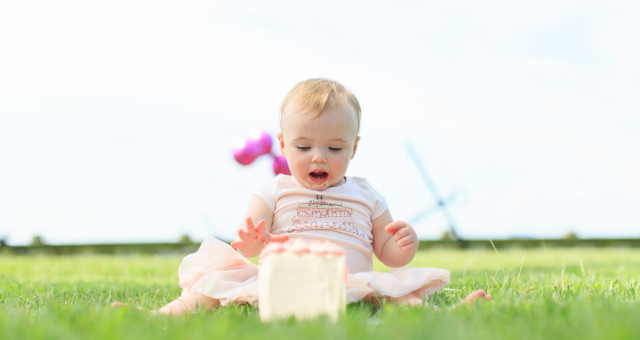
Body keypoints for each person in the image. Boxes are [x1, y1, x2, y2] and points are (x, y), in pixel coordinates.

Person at [156, 78, 490, 316]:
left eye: (334, 148)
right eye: (304, 147)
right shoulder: (274, 191)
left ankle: (440, 317)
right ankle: (163, 316)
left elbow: (387, 254)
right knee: (216, 281)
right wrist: (252, 242)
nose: (319, 157)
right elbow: (245, 246)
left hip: (349, 280)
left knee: (395, 290)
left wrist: (402, 246)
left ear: (354, 148)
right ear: (284, 145)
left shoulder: (366, 194)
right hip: (282, 282)